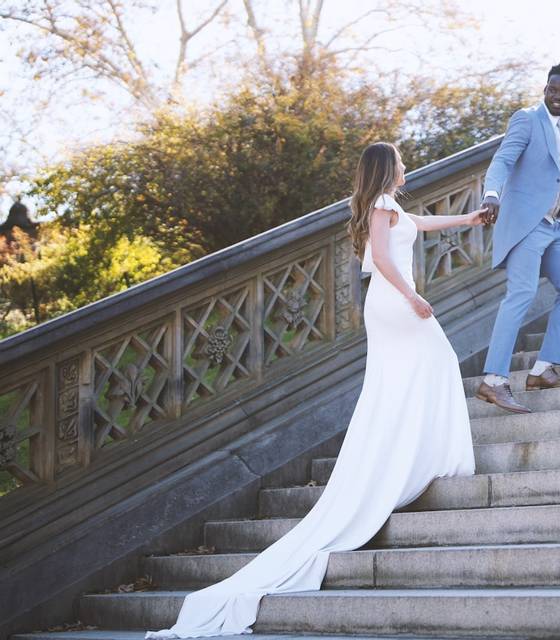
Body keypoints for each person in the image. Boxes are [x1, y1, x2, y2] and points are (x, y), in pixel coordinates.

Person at [145, 142, 480, 638]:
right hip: (394, 302)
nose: (408, 168)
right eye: (402, 163)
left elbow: (420, 227)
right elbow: (385, 261)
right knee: (436, 362)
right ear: (388, 169)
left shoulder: (386, 207)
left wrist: (467, 220)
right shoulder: (384, 207)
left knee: (411, 377)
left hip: (386, 306)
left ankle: (416, 456)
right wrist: (414, 296)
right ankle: (424, 459)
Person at [474, 63, 560, 414]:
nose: (558, 96)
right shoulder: (526, 119)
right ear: (545, 89)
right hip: (527, 224)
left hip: (557, 228)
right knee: (521, 293)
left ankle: (542, 370)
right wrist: (492, 194)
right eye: (553, 90)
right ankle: (493, 380)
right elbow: (502, 161)